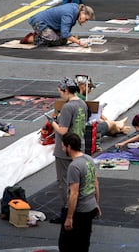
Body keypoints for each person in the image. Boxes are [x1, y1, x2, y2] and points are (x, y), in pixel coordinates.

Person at [49, 77, 90, 224]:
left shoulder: (67, 107)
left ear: (66, 91)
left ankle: (68, 213)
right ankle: (80, 209)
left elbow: (63, 130)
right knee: (78, 181)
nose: (59, 94)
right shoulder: (82, 104)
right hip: (79, 146)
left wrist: (52, 122)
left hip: (66, 149)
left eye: (60, 91)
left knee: (65, 182)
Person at [58, 132, 100, 252]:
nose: (62, 148)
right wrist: (97, 204)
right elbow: (95, 183)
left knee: (66, 245)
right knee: (84, 243)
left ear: (69, 147)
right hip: (90, 207)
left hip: (79, 211)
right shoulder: (89, 159)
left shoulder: (74, 166)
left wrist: (69, 217)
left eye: (63, 146)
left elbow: (74, 193)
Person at [21, 3, 95, 46]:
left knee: (63, 40)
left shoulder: (76, 8)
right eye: (86, 19)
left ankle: (41, 34)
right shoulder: (69, 15)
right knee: (56, 40)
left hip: (50, 24)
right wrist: (79, 42)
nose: (85, 21)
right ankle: (32, 38)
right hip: (39, 23)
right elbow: (65, 33)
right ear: (82, 13)